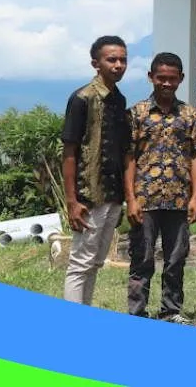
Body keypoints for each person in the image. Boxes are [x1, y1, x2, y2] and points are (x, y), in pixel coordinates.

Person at [124, 52, 196, 324]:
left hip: (179, 200)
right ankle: (137, 314)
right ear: (151, 78)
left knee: (176, 260)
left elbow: (195, 155)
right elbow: (129, 157)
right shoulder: (137, 113)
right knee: (142, 259)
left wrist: (195, 197)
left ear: (181, 79)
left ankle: (171, 311)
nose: (166, 84)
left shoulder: (190, 114)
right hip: (145, 200)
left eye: (172, 78)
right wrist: (131, 199)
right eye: (161, 78)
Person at [61, 35, 131, 306]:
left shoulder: (118, 99)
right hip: (88, 195)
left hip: (112, 195)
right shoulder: (82, 99)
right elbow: (69, 152)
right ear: (96, 63)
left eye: (123, 60)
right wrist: (72, 201)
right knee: (80, 263)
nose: (118, 65)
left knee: (95, 262)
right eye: (111, 59)